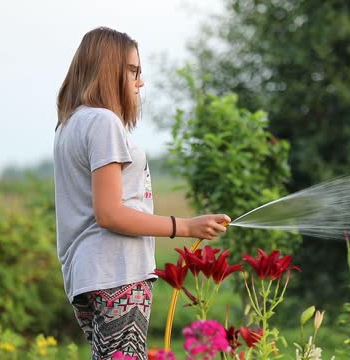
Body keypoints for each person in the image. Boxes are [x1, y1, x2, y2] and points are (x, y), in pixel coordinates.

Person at [53, 26, 231, 360]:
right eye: (133, 70)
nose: (140, 81)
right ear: (108, 69)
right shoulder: (103, 122)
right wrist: (188, 227)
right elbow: (110, 213)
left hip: (88, 275)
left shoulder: (70, 125)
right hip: (118, 270)